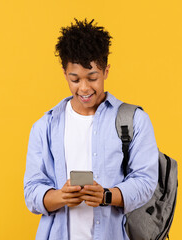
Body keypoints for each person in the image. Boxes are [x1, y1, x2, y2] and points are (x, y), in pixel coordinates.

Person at [24, 18, 158, 240]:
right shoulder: (45, 126)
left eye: (92, 78)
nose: (84, 88)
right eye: (75, 79)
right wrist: (61, 196)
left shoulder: (134, 120)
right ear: (64, 73)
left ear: (106, 71)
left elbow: (146, 181)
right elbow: (32, 191)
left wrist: (107, 195)